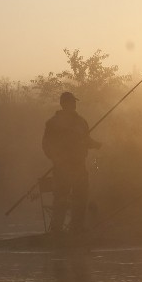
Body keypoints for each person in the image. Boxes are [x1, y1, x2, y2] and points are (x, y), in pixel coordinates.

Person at [42, 92, 102, 233]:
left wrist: (97, 145)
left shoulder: (81, 121)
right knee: (61, 199)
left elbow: (86, 141)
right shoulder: (53, 123)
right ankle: (56, 231)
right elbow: (47, 145)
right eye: (71, 102)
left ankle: (76, 228)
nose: (74, 105)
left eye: (74, 102)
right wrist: (56, 159)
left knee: (80, 197)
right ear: (64, 104)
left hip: (79, 166)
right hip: (62, 168)